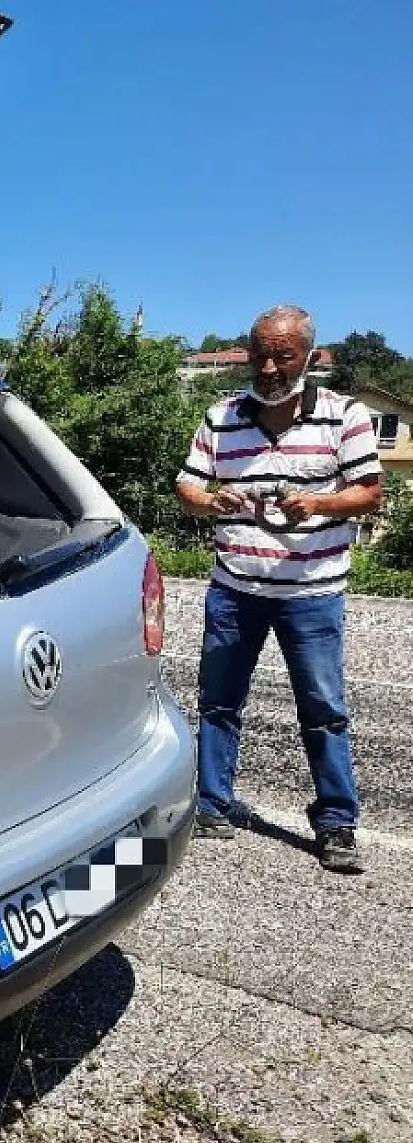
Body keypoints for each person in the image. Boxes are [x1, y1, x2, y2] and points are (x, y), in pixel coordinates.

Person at [175, 305, 383, 874]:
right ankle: (213, 804)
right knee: (218, 702)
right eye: (259, 353)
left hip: (311, 592)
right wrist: (210, 499)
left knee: (323, 708)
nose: (268, 367)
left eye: (283, 356)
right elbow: (186, 484)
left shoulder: (345, 416)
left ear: (309, 359)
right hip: (234, 589)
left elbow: (369, 492)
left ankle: (337, 821)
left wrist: (316, 502)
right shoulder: (222, 416)